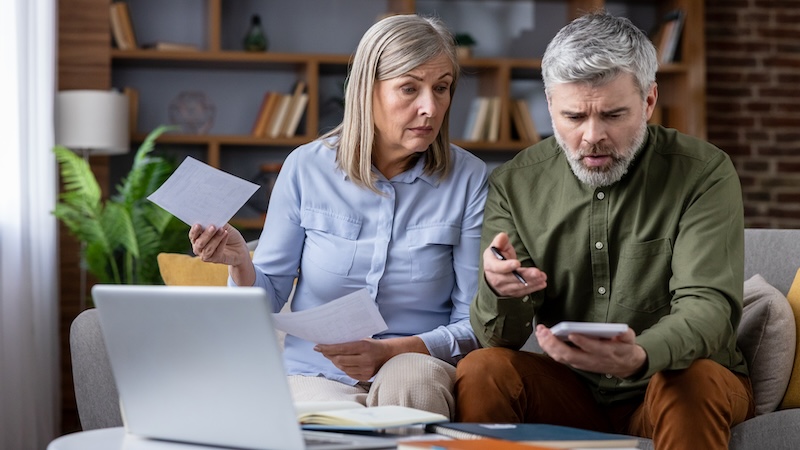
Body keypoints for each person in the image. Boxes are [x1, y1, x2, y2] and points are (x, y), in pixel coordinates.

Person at [454, 11, 754, 449]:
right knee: (482, 369)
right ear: (550, 105)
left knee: (692, 380)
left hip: (672, 381)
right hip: (571, 392)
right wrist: (503, 292)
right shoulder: (514, 183)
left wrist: (640, 355)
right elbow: (500, 338)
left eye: (613, 115)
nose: (592, 136)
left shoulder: (704, 172)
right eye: (574, 117)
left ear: (650, 101)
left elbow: (708, 309)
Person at [189, 14, 488, 419]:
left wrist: (390, 351)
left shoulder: (469, 179)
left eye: (442, 88)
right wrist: (241, 263)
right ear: (368, 90)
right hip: (317, 369)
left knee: (411, 381)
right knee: (313, 417)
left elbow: (474, 324)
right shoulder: (305, 168)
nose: (429, 107)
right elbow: (269, 295)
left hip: (414, 362)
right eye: (409, 88)